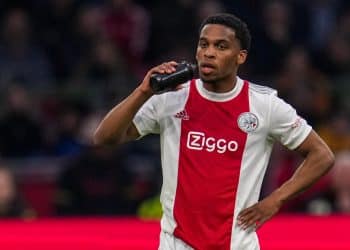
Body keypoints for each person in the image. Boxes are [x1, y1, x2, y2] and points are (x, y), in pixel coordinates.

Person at [94, 13, 334, 250]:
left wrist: (274, 200)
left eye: (221, 46)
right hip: (176, 244)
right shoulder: (173, 98)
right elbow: (105, 137)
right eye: (203, 44)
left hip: (238, 244)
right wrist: (143, 92)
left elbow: (322, 155)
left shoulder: (265, 105)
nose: (209, 53)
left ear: (240, 57)